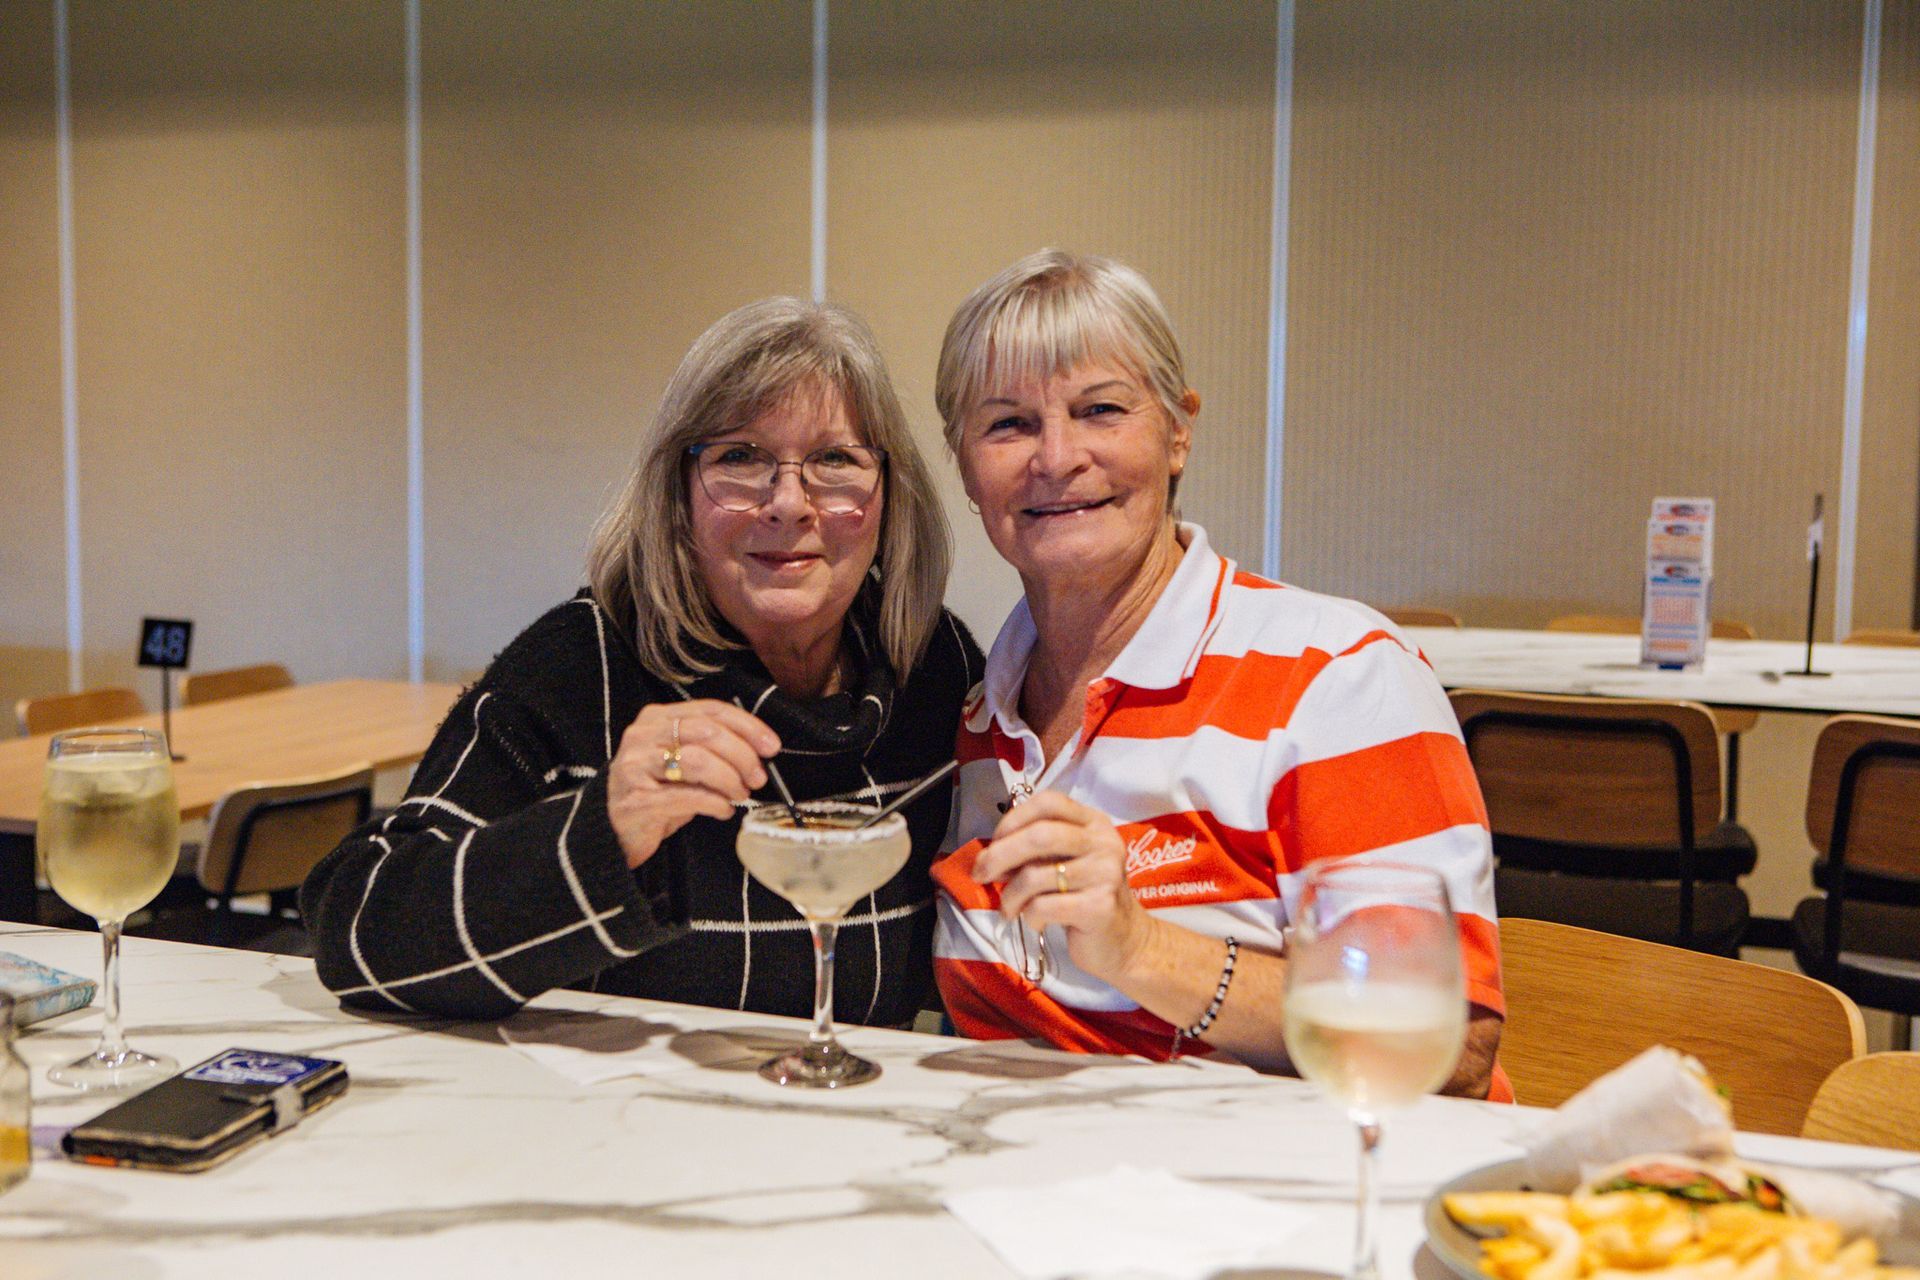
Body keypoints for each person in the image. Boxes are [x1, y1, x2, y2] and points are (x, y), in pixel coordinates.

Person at [303, 298, 980, 1024]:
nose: (789, 503)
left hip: (860, 1094)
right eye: (740, 457)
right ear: (676, 497)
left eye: (835, 459)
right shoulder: (584, 664)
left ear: (891, 496)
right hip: (618, 1099)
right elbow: (358, 930)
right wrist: (603, 826)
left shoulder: (931, 666)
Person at [929, 249, 1506, 1098]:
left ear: (1178, 431)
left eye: (1100, 410)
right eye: (1009, 424)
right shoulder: (975, 708)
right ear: (963, 466)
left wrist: (1140, 947)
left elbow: (1450, 1045)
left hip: (1281, 1172)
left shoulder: (1336, 678)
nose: (1056, 456)